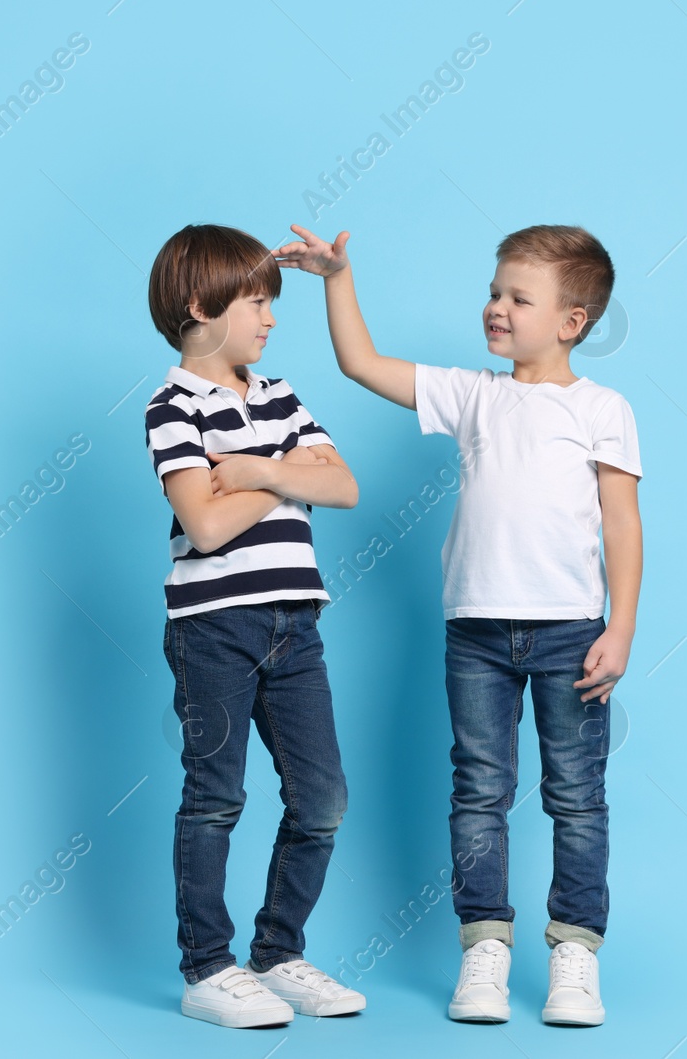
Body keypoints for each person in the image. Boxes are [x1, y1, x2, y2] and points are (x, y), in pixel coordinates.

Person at [275, 222, 643, 1026]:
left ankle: (575, 953)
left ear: (572, 321)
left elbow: (622, 523)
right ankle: (485, 947)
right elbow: (360, 363)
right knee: (479, 790)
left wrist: (621, 627)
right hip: (474, 632)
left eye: (518, 296)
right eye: (494, 290)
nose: (496, 307)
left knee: (577, 795)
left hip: (572, 634)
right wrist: (338, 277)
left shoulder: (604, 409)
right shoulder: (475, 394)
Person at [144, 223, 366, 1028]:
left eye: (274, 301)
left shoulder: (279, 395)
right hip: (213, 627)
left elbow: (341, 485)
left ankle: (278, 951)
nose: (272, 317)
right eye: (257, 301)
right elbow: (201, 528)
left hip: (295, 622)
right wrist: (286, 479)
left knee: (324, 796)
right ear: (201, 308)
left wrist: (257, 471)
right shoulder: (171, 408)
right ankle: (208, 966)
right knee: (216, 795)